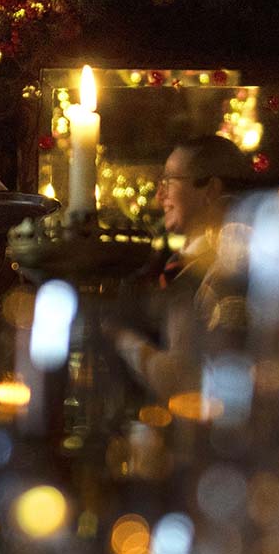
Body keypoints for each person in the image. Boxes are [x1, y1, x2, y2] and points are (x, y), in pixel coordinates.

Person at [108, 134, 253, 403]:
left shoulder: (231, 270)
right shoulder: (174, 265)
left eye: (169, 182)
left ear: (210, 189)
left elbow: (185, 381)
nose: (159, 195)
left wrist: (117, 337)